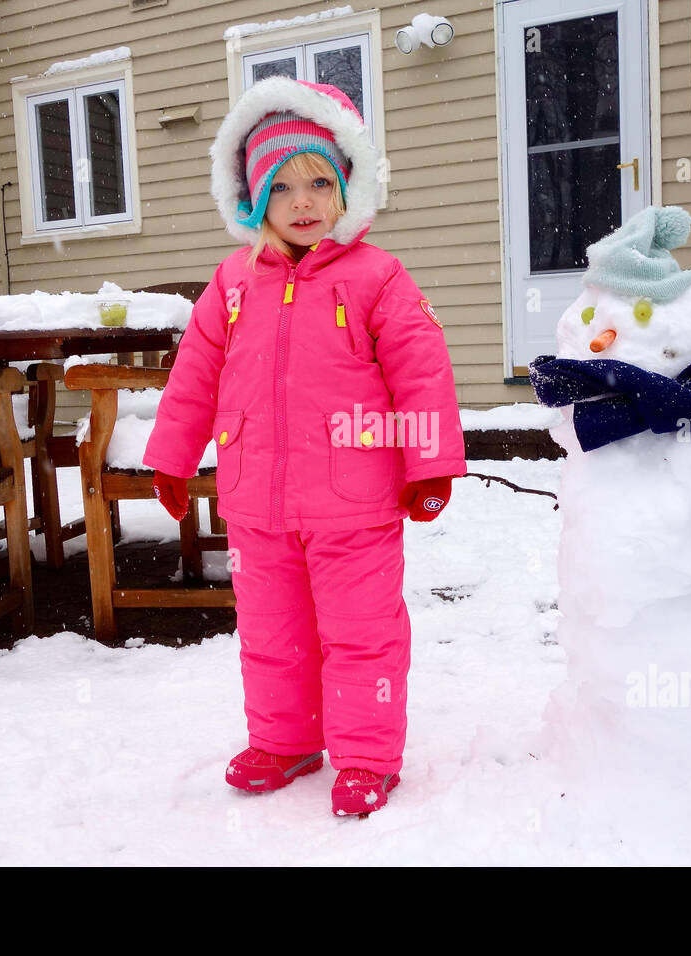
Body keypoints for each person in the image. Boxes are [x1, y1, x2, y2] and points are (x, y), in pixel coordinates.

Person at [142, 77, 466, 817]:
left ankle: (366, 757)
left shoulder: (377, 277)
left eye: (320, 180)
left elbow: (422, 371)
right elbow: (194, 375)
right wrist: (172, 455)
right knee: (270, 634)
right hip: (256, 503)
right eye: (281, 187)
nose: (304, 201)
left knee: (362, 636)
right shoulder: (231, 283)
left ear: (346, 184)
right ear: (254, 200)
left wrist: (430, 463)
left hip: (355, 504)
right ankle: (286, 742)